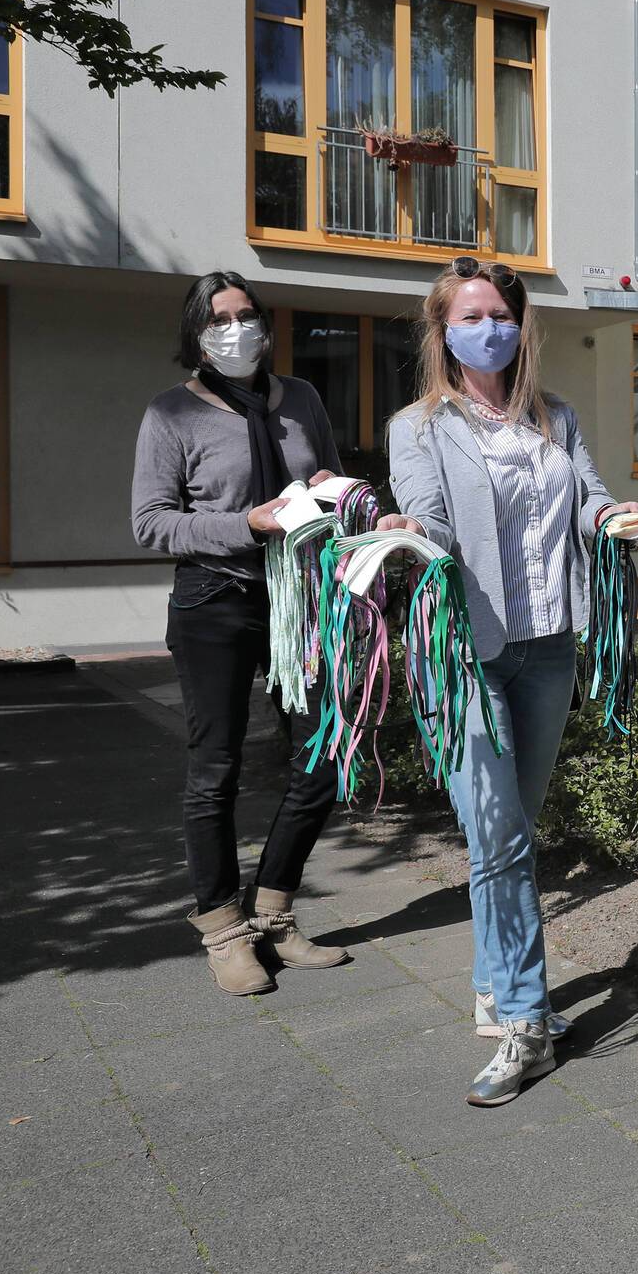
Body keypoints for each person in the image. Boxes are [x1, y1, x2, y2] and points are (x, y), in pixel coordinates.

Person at [388, 256, 638, 1107]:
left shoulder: (554, 417)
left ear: (520, 323)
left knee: (513, 832)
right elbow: (426, 516)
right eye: (470, 315)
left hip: (547, 648)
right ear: (443, 331)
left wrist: (617, 518)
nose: (487, 327)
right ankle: (529, 1024)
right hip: (465, 650)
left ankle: (495, 989)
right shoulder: (419, 426)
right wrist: (402, 531)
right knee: (498, 833)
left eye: (500, 312)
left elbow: (589, 498)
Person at [131, 271, 357, 996]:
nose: (237, 328)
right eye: (219, 318)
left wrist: (335, 489)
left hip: (301, 598)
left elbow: (328, 472)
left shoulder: (303, 399)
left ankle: (275, 909)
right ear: (195, 333)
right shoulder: (170, 414)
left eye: (246, 314)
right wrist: (245, 523)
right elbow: (151, 521)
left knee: (322, 756)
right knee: (215, 770)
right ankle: (223, 929)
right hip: (213, 601)